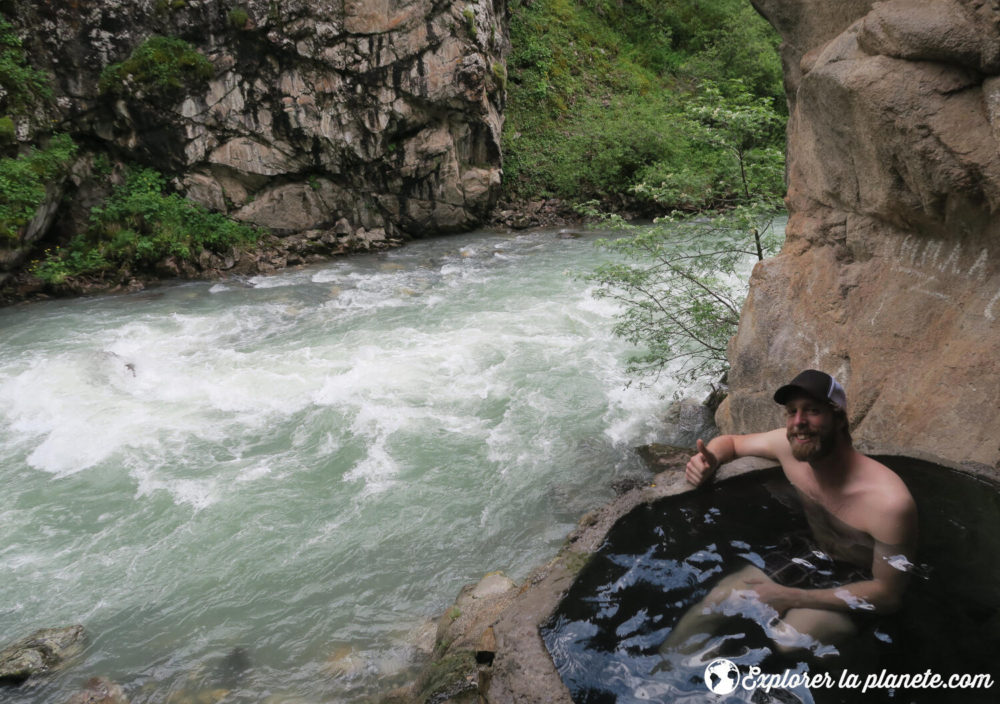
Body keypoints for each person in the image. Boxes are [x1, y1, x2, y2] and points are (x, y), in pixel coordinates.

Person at [662, 369, 918, 658]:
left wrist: (790, 597)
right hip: (812, 551)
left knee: (786, 639)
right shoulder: (788, 447)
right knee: (716, 602)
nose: (799, 423)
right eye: (792, 412)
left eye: (813, 411)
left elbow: (887, 594)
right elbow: (731, 442)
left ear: (839, 419)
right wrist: (708, 460)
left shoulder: (889, 503)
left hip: (861, 579)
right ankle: (663, 670)